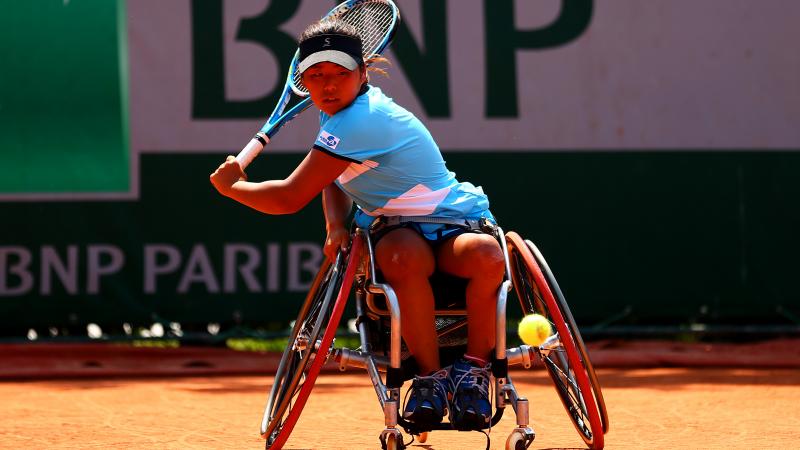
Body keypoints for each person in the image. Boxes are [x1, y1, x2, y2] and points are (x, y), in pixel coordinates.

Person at [210, 19, 504, 431]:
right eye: (316, 76)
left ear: (363, 74)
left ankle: (474, 371)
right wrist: (335, 225)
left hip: (455, 219)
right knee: (401, 259)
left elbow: (290, 197)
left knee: (489, 255)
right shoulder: (339, 116)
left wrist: (234, 189)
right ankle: (430, 377)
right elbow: (333, 175)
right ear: (303, 81)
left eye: (340, 74)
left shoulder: (360, 119)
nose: (328, 85)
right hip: (395, 230)